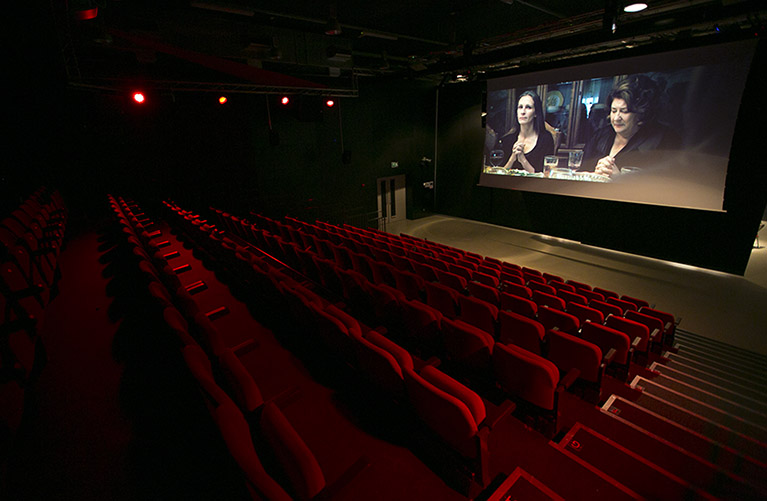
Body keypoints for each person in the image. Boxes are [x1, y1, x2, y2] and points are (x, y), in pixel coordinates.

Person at [584, 74, 679, 178]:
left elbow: (666, 185)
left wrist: (620, 179)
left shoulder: (663, 141)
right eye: (613, 111)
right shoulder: (600, 136)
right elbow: (581, 172)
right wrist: (594, 175)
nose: (616, 118)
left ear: (640, 114)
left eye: (624, 111)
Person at [492, 91, 555, 173]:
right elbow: (498, 174)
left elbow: (543, 176)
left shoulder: (546, 139)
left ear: (536, 113)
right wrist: (512, 159)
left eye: (528, 107)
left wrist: (523, 160)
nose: (523, 112)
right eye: (520, 107)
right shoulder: (507, 140)